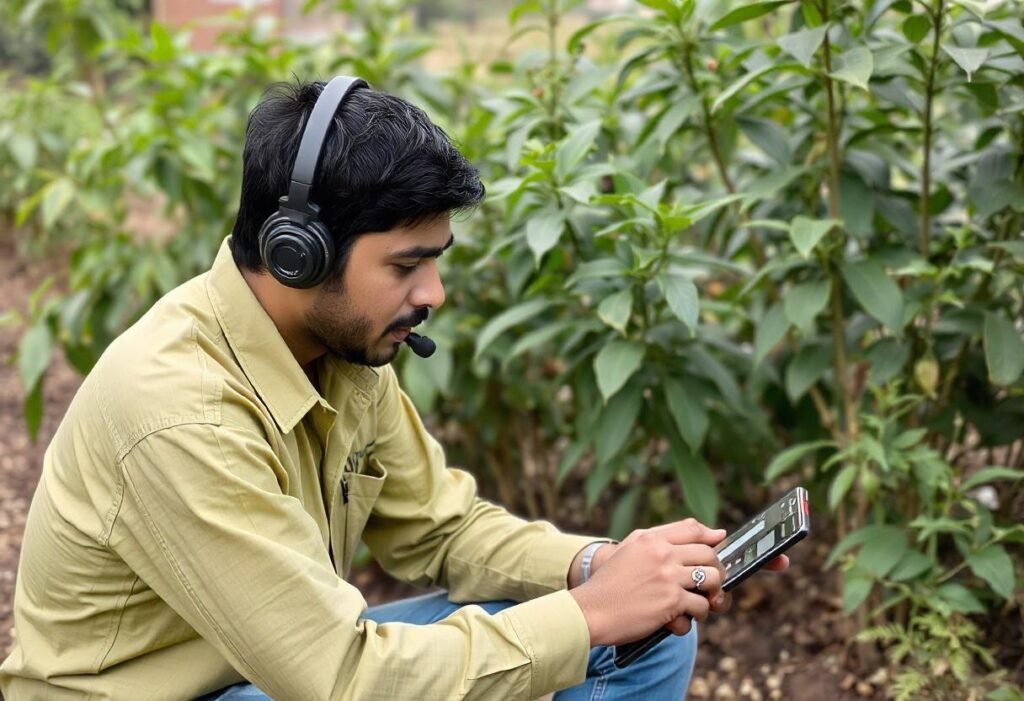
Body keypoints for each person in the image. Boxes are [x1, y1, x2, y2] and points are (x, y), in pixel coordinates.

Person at [0, 77, 786, 700]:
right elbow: (342, 680)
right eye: (407, 265)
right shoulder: (178, 413)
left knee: (648, 632)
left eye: (436, 259)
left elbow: (443, 529)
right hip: (201, 690)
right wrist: (587, 615)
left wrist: (605, 570)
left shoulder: (346, 348)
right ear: (297, 252)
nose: (434, 291)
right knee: (585, 634)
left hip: (271, 672)